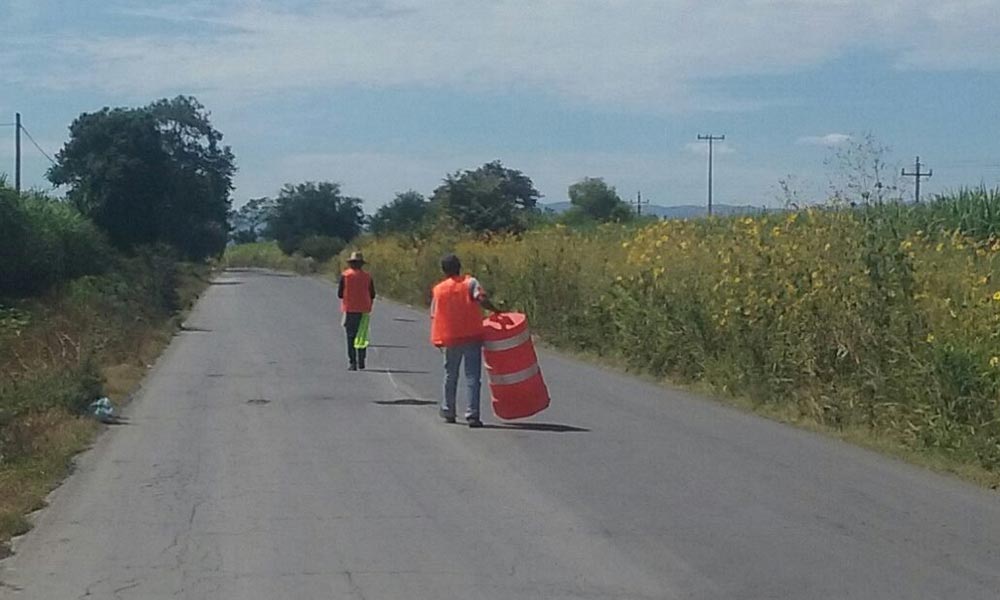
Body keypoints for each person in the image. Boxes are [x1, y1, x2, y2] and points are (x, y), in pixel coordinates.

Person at [430, 253, 500, 428]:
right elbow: (481, 298)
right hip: (471, 336)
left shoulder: (439, 289)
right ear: (459, 267)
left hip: (450, 337)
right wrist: (496, 311)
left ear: (443, 270)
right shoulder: (471, 283)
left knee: (450, 375)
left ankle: (449, 410)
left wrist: (438, 337)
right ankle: (472, 415)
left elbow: (434, 314)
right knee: (472, 377)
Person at [338, 251, 375, 371]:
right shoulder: (368, 277)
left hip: (349, 309)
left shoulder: (345, 276)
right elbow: (372, 294)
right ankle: (362, 361)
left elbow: (340, 294)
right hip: (364, 310)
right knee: (362, 336)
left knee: (350, 337)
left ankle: (353, 362)